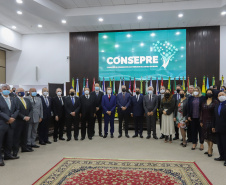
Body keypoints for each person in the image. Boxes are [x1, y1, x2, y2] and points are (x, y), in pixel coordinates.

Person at [0, 84, 19, 166]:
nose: (6, 90)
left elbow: (17, 109)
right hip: (2, 123)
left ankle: (7, 155)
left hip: (11, 123)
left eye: (8, 89)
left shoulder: (13, 98)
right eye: (4, 88)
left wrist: (12, 118)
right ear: (1, 90)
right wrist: (8, 119)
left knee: (9, 140)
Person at [12, 88, 33, 157]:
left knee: (25, 135)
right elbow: (15, 110)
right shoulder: (15, 100)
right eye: (20, 91)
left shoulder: (27, 99)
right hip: (18, 121)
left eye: (23, 91)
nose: (22, 92)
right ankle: (15, 151)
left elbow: (31, 109)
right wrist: (23, 117)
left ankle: (24, 148)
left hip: (27, 120)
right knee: (17, 136)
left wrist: (29, 116)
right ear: (17, 92)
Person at [200, 89, 217, 157]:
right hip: (204, 120)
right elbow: (201, 112)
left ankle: (210, 149)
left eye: (210, 92)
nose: (209, 94)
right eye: (208, 93)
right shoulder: (203, 102)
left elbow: (216, 113)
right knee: (205, 136)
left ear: (212, 93)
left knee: (211, 136)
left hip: (212, 120)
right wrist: (201, 121)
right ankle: (209, 147)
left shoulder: (215, 102)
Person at [188, 86, 205, 150]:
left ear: (199, 91)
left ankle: (201, 143)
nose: (195, 91)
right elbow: (188, 107)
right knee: (193, 131)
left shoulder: (202, 98)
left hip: (200, 117)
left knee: (201, 131)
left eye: (197, 90)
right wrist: (189, 116)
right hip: (193, 117)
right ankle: (194, 143)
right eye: (194, 90)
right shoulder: (190, 98)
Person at [213, 92, 226, 166]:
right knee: (219, 143)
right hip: (218, 127)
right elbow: (214, 117)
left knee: (225, 144)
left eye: (223, 95)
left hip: (225, 128)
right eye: (219, 95)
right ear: (217, 97)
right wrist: (213, 126)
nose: (221, 96)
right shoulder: (217, 105)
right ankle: (222, 156)